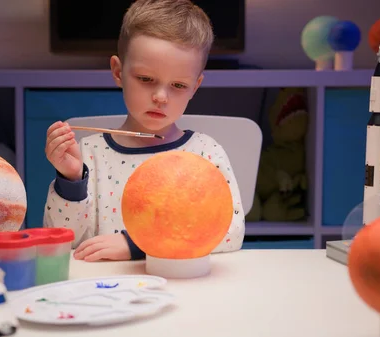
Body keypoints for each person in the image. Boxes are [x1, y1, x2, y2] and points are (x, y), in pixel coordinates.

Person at [43, 0, 245, 262]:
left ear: (195, 87)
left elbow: (231, 232)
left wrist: (137, 245)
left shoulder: (205, 153)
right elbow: (62, 240)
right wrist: (71, 181)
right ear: (118, 71)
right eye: (146, 79)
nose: (161, 96)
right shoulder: (89, 154)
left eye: (179, 85)